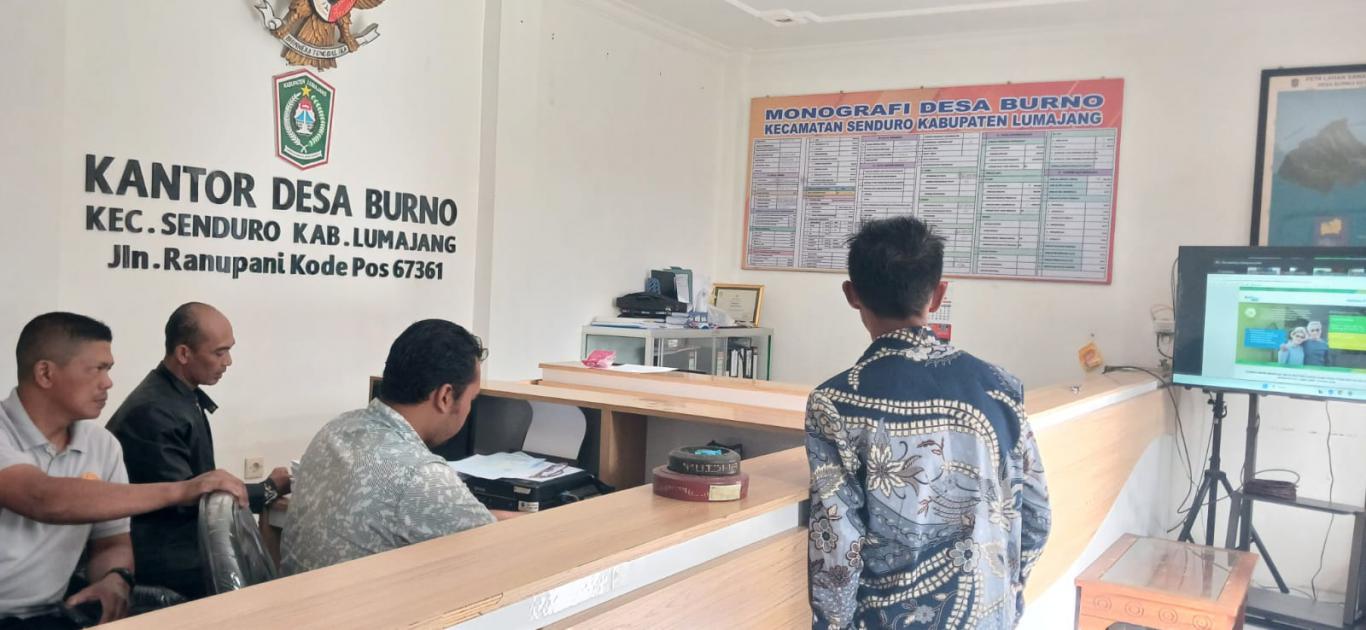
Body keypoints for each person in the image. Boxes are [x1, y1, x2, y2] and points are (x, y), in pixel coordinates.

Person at [805, 217, 1051, 629]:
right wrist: (1007, 595)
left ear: (852, 294)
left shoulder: (835, 403)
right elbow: (1037, 517)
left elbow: (838, 548)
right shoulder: (1002, 388)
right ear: (938, 294)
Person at [0, 313, 246, 629]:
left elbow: (111, 540)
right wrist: (182, 489)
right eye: (98, 369)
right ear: (45, 373)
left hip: (49, 615)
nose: (108, 382)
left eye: (109, 370)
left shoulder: (101, 445)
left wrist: (114, 577)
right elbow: (41, 497)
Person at [281, 319, 507, 576]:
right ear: (445, 396)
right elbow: (497, 547)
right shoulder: (421, 475)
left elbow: (459, 516)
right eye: (471, 399)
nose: (468, 409)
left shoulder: (335, 429)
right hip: (366, 602)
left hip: (299, 596)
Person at [105, 303, 290, 600]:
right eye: (219, 353)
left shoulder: (178, 396)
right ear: (183, 353)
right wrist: (267, 489)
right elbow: (189, 499)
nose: (228, 361)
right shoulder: (154, 412)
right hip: (165, 555)